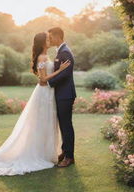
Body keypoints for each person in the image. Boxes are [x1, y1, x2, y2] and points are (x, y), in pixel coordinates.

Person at [0, 31, 70, 176]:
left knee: (46, 123)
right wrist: (60, 70)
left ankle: (45, 154)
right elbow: (43, 80)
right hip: (43, 93)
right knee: (40, 124)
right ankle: (37, 154)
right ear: (42, 42)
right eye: (47, 39)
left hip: (48, 93)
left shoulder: (46, 56)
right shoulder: (42, 57)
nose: (50, 40)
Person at [39, 27, 76, 168]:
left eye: (51, 37)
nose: (50, 40)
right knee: (63, 125)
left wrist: (48, 82)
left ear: (57, 36)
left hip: (65, 95)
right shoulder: (61, 51)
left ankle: (69, 157)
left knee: (66, 125)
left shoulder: (65, 52)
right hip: (62, 94)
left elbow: (65, 74)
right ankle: (65, 152)